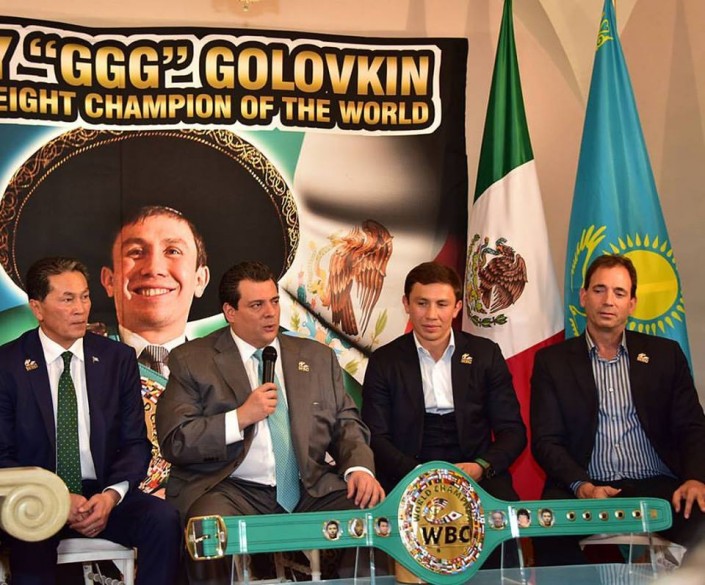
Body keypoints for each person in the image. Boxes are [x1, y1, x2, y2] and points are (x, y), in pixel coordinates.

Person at [156, 260, 385, 585]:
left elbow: (346, 423)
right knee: (207, 531)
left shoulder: (316, 357)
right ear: (230, 312)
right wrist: (240, 417)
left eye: (274, 301)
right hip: (231, 489)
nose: (270, 313)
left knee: (374, 513)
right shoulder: (193, 360)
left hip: (309, 487)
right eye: (257, 305)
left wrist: (359, 469)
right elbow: (176, 440)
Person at [0, 257, 180, 585]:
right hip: (34, 496)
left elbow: (134, 442)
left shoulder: (116, 358)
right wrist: (54, 496)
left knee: (163, 519)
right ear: (37, 308)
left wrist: (111, 496)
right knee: (30, 535)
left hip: (102, 494)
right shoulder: (8, 363)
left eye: (84, 297)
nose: (80, 309)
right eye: (67, 299)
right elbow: (3, 453)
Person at [531, 254, 705, 564]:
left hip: (657, 483)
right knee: (547, 531)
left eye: (619, 292)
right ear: (583, 296)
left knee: (701, 520)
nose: (608, 301)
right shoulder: (552, 362)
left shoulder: (665, 355)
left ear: (632, 303)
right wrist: (583, 486)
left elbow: (691, 426)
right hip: (583, 485)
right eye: (599, 290)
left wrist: (695, 478)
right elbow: (547, 441)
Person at [361, 261, 526, 565]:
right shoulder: (385, 361)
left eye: (442, 304)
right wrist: (418, 473)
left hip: (475, 470)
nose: (431, 315)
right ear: (406, 304)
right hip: (407, 471)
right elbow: (376, 436)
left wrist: (480, 467)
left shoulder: (485, 354)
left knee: (502, 533)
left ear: (457, 307)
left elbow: (512, 431)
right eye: (422, 303)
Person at [100, 205, 210, 495]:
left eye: (173, 251)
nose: (153, 268)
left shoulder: (229, 368)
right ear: (109, 280)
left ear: (200, 279)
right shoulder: (76, 360)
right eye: (136, 252)